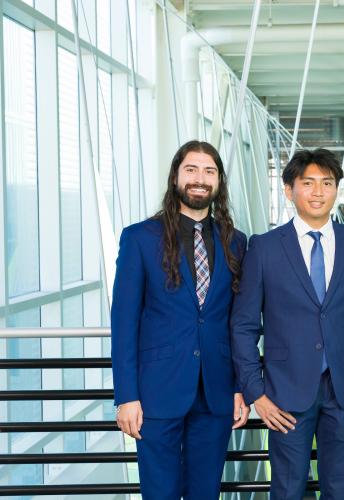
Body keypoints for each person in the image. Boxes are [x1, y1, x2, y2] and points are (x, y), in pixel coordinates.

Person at [231, 148, 344, 499]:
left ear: (336, 189)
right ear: (289, 189)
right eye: (308, 183)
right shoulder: (264, 248)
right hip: (284, 394)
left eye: (327, 183)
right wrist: (257, 394)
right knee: (286, 490)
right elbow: (244, 326)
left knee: (341, 491)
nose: (318, 191)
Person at [111, 141, 249, 499]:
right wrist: (126, 396)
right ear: (176, 177)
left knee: (206, 493)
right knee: (160, 493)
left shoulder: (236, 242)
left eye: (209, 171)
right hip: (156, 393)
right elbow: (124, 323)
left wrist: (239, 387)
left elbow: (238, 322)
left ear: (218, 181)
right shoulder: (140, 238)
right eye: (191, 170)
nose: (200, 179)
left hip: (216, 392)